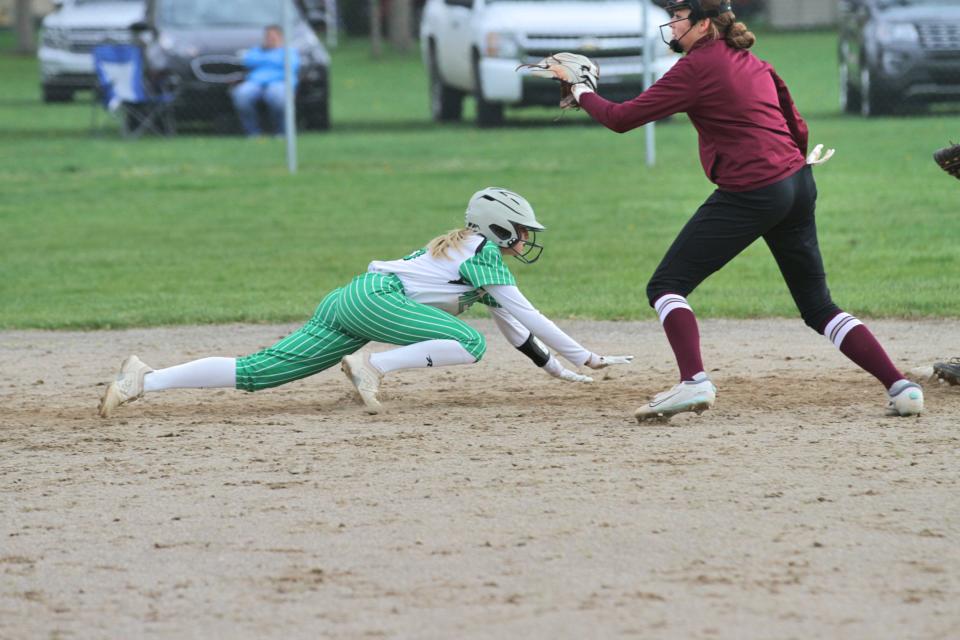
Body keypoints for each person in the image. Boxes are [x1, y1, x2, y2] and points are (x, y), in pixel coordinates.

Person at [559, 0, 923, 420]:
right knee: (819, 307)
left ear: (705, 23)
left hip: (754, 190)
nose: (672, 24)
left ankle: (694, 381)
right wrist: (785, 176)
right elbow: (797, 126)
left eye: (679, 16)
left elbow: (622, 118)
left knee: (666, 286)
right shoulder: (752, 60)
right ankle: (901, 387)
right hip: (798, 182)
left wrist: (582, 90)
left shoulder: (697, 67)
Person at [98, 188, 633, 418]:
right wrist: (585, 355)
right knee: (467, 342)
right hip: (376, 300)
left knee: (259, 372)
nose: (523, 238)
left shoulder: (476, 257)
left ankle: (144, 379)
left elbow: (518, 330)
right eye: (517, 229)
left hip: (352, 299)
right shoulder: (481, 250)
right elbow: (529, 314)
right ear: (494, 227)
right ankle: (371, 366)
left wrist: (564, 373)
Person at [231, 25, 299, 136]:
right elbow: (248, 61)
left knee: (277, 97)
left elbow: (292, 65)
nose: (270, 39)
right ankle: (253, 133)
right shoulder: (257, 50)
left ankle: (281, 132)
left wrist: (263, 61)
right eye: (268, 36)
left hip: (280, 82)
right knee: (241, 95)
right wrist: (275, 61)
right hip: (256, 83)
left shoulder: (289, 51)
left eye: (273, 37)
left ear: (280, 37)